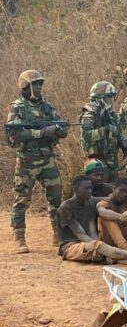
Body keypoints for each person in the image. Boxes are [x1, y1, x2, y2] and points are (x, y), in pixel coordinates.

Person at [7, 69, 69, 252]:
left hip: (47, 159)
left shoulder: (48, 107)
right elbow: (15, 134)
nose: (39, 88)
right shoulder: (17, 107)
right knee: (22, 199)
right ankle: (19, 237)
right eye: (35, 85)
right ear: (26, 87)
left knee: (56, 197)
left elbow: (63, 128)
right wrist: (41, 132)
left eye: (40, 85)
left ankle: (58, 234)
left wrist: (57, 130)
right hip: (26, 160)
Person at [58, 175, 127, 268]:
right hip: (70, 246)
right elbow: (81, 234)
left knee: (108, 256)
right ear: (75, 188)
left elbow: (111, 200)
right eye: (86, 188)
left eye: (91, 188)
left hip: (90, 244)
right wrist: (97, 245)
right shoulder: (66, 207)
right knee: (100, 246)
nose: (90, 191)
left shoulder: (90, 202)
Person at [80, 81, 126, 175]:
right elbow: (86, 135)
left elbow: (118, 133)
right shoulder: (90, 114)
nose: (111, 101)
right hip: (96, 162)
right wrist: (105, 130)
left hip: (112, 159)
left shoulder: (111, 115)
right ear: (99, 99)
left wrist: (123, 146)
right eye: (108, 98)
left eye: (112, 98)